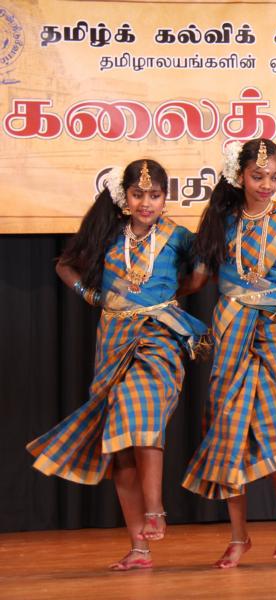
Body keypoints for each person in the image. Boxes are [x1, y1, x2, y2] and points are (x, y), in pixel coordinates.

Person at [27, 159, 207, 570]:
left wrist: (165, 300)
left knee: (142, 415)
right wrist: (92, 296)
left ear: (165, 198)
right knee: (120, 445)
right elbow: (65, 265)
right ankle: (139, 549)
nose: (146, 203)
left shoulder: (178, 236)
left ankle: (155, 509)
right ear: (124, 197)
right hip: (113, 341)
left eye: (155, 195)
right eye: (138, 194)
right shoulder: (108, 233)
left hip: (158, 339)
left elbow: (200, 275)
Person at [181, 138, 276, 568]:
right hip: (232, 323)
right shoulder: (219, 218)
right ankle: (239, 535)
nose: (267, 185)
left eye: (274, 177)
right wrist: (156, 299)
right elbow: (199, 277)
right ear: (239, 175)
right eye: (258, 176)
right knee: (228, 424)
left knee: (271, 415)